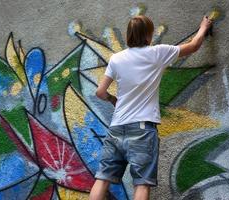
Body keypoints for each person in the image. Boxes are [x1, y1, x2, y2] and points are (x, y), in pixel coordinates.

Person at [89, 15, 213, 200]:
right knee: (142, 183)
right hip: (142, 129)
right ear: (149, 34)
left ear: (129, 34)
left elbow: (100, 92)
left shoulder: (116, 59)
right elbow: (193, 46)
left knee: (102, 178)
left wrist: (113, 99)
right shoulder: (158, 53)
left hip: (116, 128)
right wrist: (203, 27)